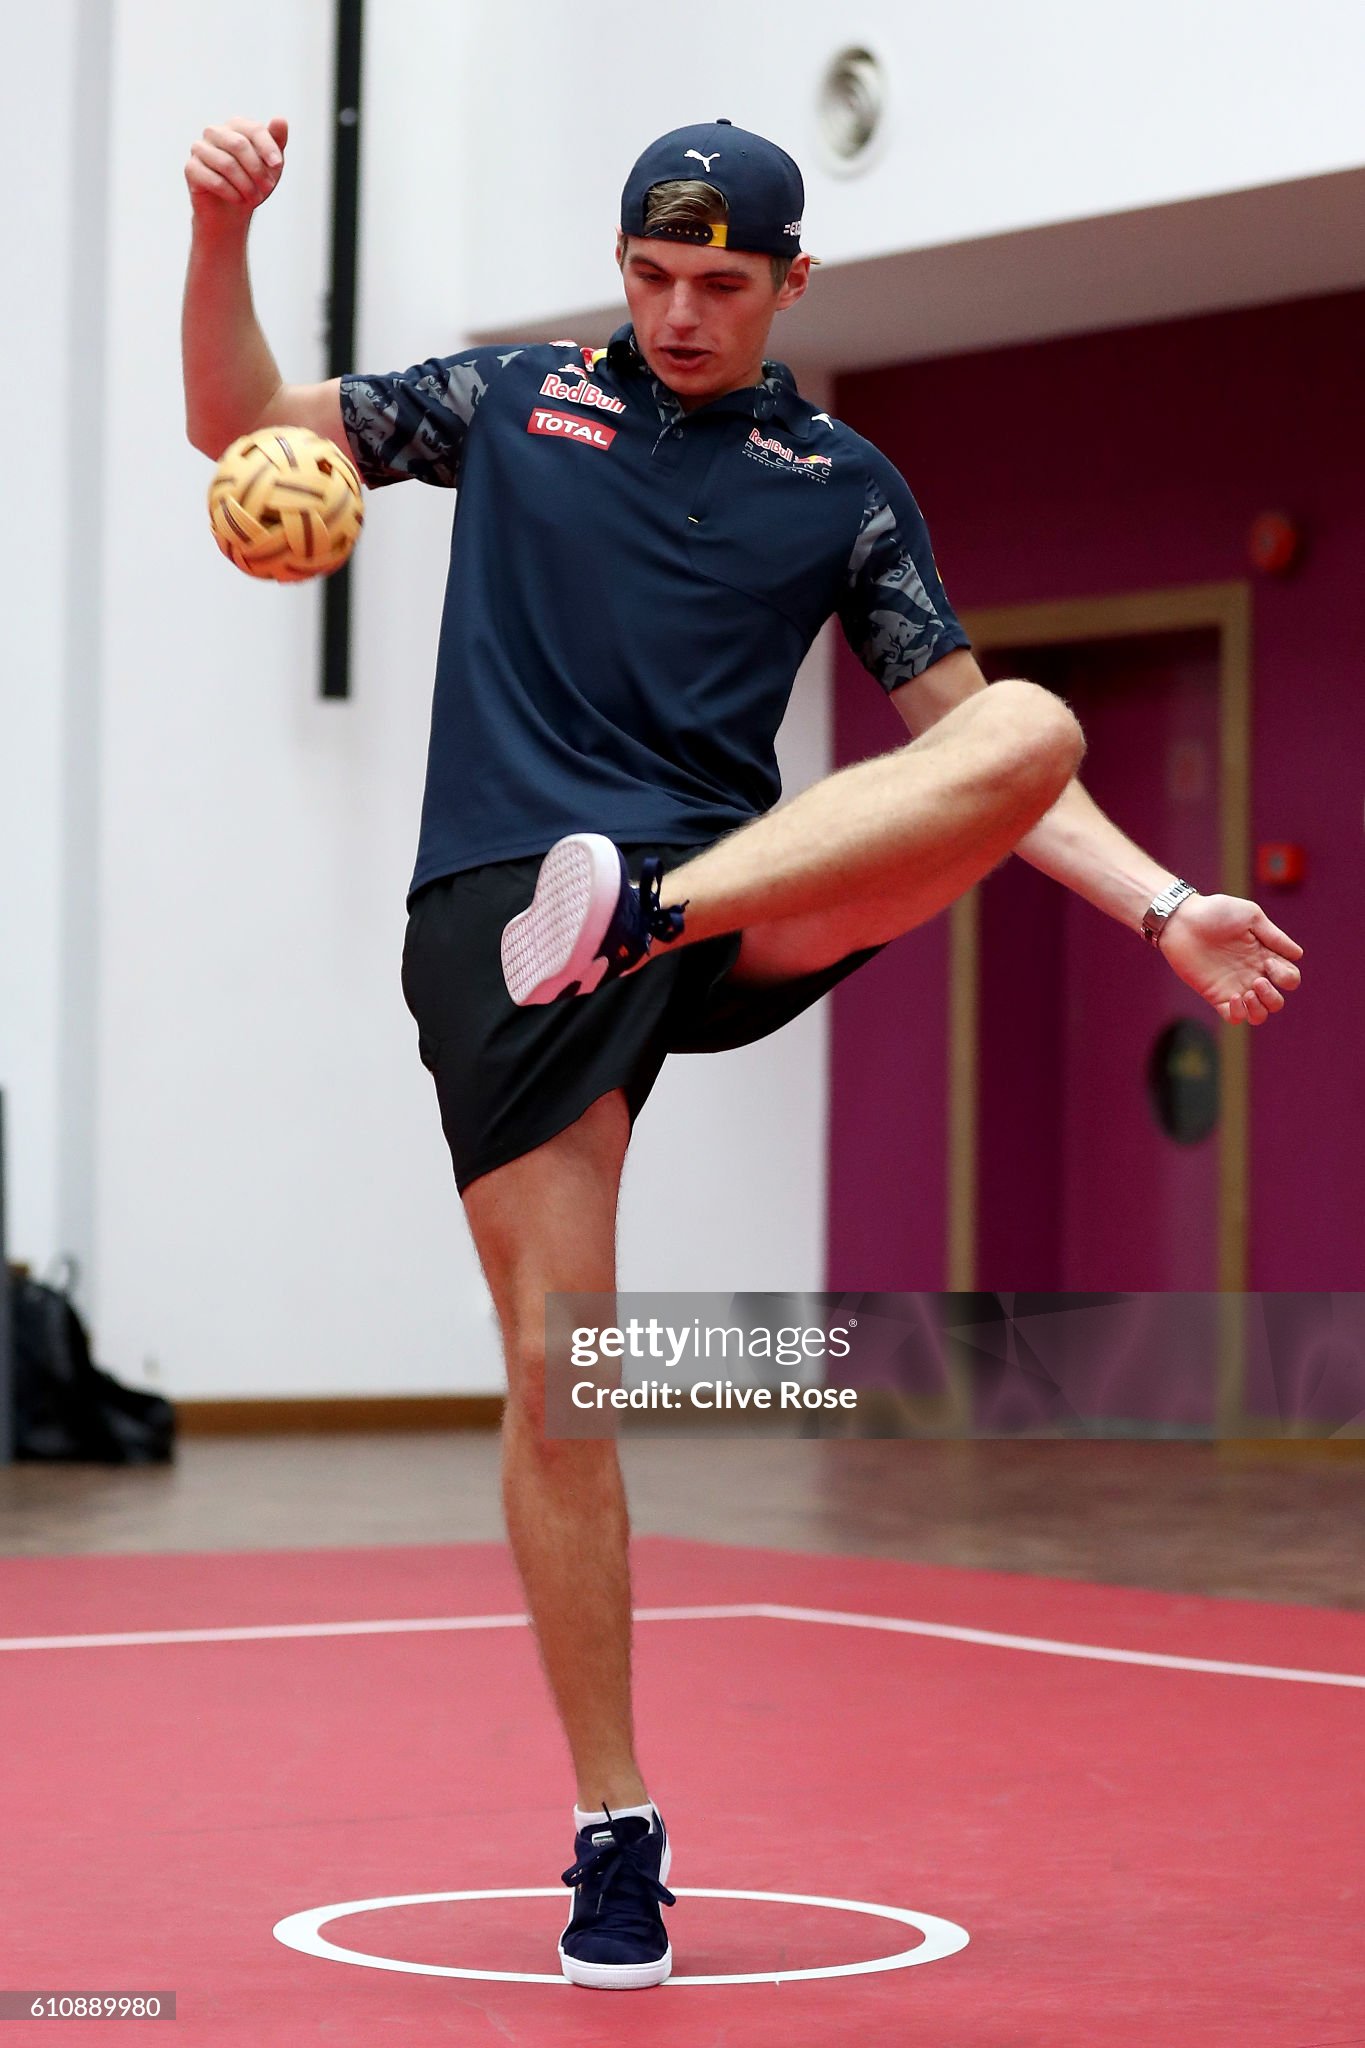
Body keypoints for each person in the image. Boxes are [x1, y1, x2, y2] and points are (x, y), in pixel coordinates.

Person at [181, 112, 1304, 1990]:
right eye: (651, 274)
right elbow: (244, 425)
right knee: (568, 1375)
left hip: (706, 896)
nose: (679, 313)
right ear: (618, 265)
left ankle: (640, 904)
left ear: (792, 286)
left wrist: (1161, 904)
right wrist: (220, 232)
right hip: (502, 910)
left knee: (1025, 715)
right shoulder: (516, 400)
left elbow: (983, 760)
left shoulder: (839, 482)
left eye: (719, 283)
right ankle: (615, 1827)